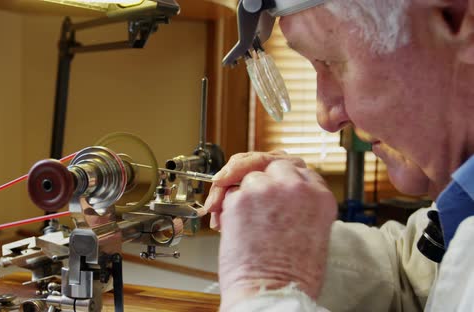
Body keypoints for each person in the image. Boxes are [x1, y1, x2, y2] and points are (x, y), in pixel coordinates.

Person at [203, 0, 474, 311]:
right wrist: (293, 244)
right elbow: (416, 283)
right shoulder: (463, 204)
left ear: (457, 20)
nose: (327, 117)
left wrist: (266, 289)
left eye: (332, 62)